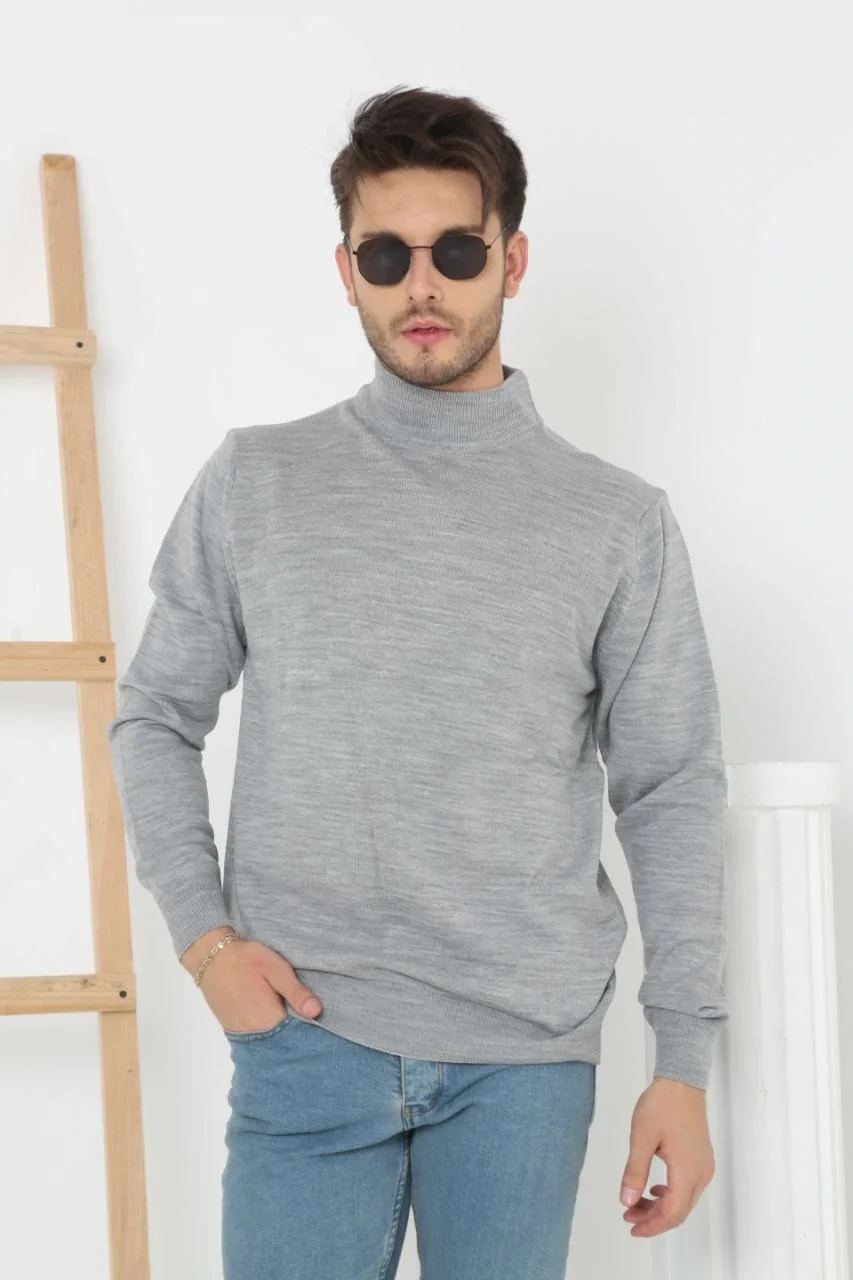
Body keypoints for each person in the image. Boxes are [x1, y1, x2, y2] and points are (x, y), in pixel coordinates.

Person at [107, 84, 727, 1278]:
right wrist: (206, 943)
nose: (421, 286)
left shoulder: (616, 521)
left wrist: (683, 1062)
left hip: (524, 1060)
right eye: (386, 255)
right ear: (347, 271)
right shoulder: (257, 481)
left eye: (456, 250)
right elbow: (155, 715)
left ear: (512, 259)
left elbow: (671, 788)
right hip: (303, 1036)